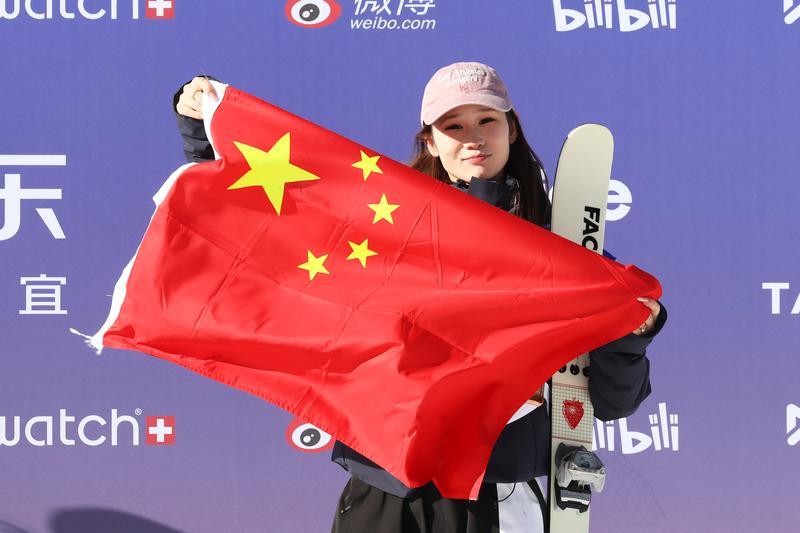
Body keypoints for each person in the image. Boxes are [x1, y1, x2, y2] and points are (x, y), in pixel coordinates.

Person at [173, 62, 667, 533]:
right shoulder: (386, 230)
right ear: (430, 139)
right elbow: (274, 219)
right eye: (453, 125)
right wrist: (205, 125)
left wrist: (632, 334)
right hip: (388, 490)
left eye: (487, 120)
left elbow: (613, 402)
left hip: (503, 492)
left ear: (511, 129)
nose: (473, 137)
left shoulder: (567, 250)